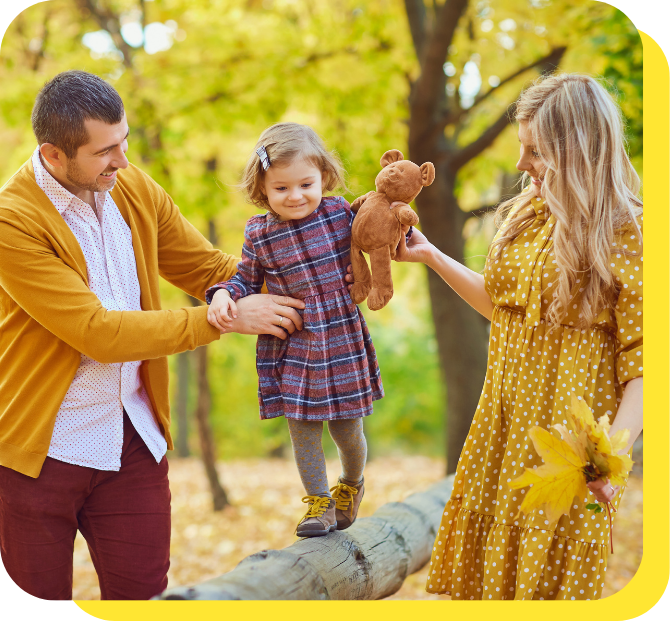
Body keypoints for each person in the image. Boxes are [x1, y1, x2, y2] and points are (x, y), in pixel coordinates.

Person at [0, 70, 313, 601]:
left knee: (146, 601)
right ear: (54, 155)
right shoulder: (13, 220)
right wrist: (223, 320)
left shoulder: (131, 186)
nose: (121, 160)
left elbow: (206, 267)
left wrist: (319, 272)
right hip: (37, 454)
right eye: (104, 151)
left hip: (132, 442)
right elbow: (96, 333)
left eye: (123, 141)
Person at [394, 73, 643, 600]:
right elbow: (504, 309)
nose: (520, 164)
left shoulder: (627, 232)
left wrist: (611, 459)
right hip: (500, 433)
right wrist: (432, 256)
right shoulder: (528, 216)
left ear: (577, 149)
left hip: (568, 453)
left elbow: (645, 360)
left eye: (535, 150)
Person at [206, 122, 384, 537]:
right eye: (281, 188)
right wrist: (221, 295)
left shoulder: (341, 214)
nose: (296, 196)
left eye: (306, 184)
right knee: (302, 429)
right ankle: (318, 505)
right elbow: (244, 280)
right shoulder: (260, 234)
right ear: (263, 190)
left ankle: (351, 484)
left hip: (339, 337)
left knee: (348, 432)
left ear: (323, 176)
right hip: (294, 343)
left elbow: (379, 236)